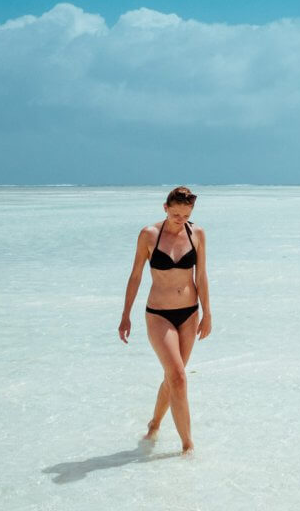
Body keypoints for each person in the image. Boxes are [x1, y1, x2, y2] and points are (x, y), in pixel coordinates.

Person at [118, 186, 212, 454]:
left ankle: (155, 424)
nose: (180, 220)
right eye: (175, 214)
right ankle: (188, 447)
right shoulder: (149, 235)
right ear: (165, 208)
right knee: (179, 377)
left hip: (190, 313)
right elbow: (135, 275)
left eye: (186, 215)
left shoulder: (198, 234)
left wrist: (208, 313)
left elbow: (201, 276)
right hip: (159, 314)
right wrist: (125, 315)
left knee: (174, 376)